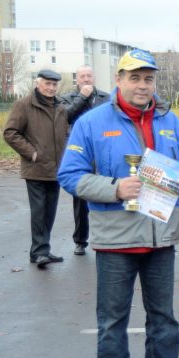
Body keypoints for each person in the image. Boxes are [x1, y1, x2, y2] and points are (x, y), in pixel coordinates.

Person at [57, 49, 179, 358]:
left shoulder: (170, 122)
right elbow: (69, 175)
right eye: (134, 77)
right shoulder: (91, 123)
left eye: (148, 78)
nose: (142, 85)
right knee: (112, 321)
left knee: (163, 319)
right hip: (116, 241)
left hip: (160, 240)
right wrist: (114, 188)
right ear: (118, 80)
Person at [3, 69, 70, 269]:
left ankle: (42, 250)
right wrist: (32, 153)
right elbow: (10, 133)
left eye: (54, 84)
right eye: (47, 84)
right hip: (36, 168)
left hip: (56, 169)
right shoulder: (24, 105)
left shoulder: (60, 107)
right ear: (38, 83)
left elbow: (64, 133)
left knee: (49, 212)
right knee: (39, 211)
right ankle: (39, 252)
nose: (51, 88)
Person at [60, 65, 111, 255]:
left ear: (94, 77)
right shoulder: (67, 98)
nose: (86, 79)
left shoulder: (106, 98)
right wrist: (82, 97)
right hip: (80, 152)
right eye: (83, 76)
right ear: (77, 79)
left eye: (89, 75)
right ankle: (80, 240)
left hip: (103, 151)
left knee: (107, 192)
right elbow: (65, 117)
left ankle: (106, 237)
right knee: (81, 200)